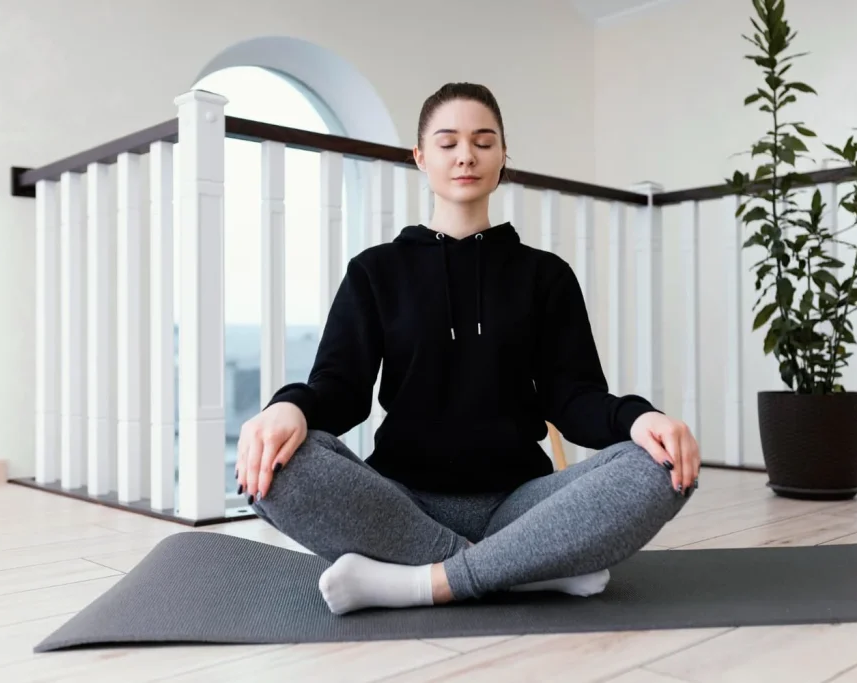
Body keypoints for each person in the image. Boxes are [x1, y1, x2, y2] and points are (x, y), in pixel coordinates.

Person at [235, 82, 700, 616]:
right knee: (276, 466)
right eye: (448, 142)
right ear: (420, 157)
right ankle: (523, 571)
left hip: (519, 504)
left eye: (483, 141)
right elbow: (339, 393)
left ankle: (418, 582)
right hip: (400, 503)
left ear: (503, 157)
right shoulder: (375, 271)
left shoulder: (545, 275)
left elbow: (574, 399)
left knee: (659, 467)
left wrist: (639, 419)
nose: (465, 156)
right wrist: (287, 407)